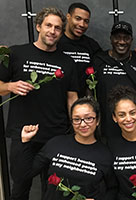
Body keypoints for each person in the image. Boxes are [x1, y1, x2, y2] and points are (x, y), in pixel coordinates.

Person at [0, 7, 78, 199]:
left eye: (58, 28)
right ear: (38, 27)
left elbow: (72, 98)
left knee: (53, 190)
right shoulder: (15, 53)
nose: (52, 31)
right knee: (19, 186)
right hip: (23, 133)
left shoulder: (68, 63)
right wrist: (10, 86)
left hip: (56, 134)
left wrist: (77, 127)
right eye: (48, 25)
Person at [20, 97, 118, 200]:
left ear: (97, 120)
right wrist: (25, 142)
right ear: (71, 121)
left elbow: (113, 189)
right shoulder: (56, 143)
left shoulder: (105, 155)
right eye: (77, 119)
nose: (83, 124)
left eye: (88, 118)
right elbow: (26, 173)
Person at [92, 21, 136, 146]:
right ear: (111, 39)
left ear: (132, 39)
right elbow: (90, 91)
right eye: (118, 37)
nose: (122, 42)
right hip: (107, 125)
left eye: (126, 38)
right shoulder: (99, 60)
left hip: (134, 123)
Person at [57, 2, 102, 97]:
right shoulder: (56, 42)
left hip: (83, 103)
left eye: (86, 21)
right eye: (78, 19)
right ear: (68, 17)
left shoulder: (92, 45)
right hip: (57, 100)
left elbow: (108, 60)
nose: (82, 24)